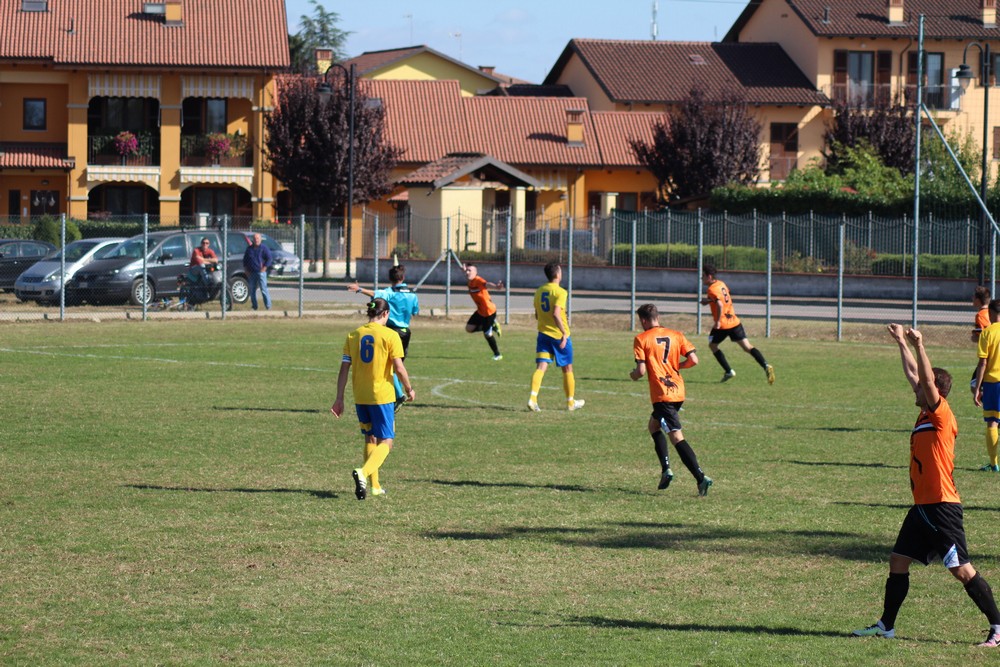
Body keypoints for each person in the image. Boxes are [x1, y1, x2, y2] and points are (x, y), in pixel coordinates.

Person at [852, 323, 1000, 647]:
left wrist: (920, 344)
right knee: (898, 560)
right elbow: (913, 374)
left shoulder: (940, 414)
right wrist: (900, 343)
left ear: (935, 393)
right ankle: (886, 625)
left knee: (961, 569)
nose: (916, 387)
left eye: (922, 386)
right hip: (922, 507)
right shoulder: (923, 415)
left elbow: (926, 380)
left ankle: (998, 626)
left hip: (942, 506)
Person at [331, 298, 415, 500]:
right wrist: (409, 388)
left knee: (370, 437)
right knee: (387, 440)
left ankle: (375, 486)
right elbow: (399, 367)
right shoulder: (390, 335)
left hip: (360, 395)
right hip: (381, 395)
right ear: (385, 314)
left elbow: (344, 369)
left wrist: (339, 398)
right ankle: (363, 472)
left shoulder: (354, 335)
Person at [629, 304, 712, 496]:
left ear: (643, 320)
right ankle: (666, 470)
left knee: (676, 437)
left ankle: (701, 477)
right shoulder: (676, 334)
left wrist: (633, 375)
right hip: (678, 391)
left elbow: (640, 371)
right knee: (654, 426)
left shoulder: (641, 339)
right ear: (657, 317)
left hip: (662, 394)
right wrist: (676, 366)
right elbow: (694, 360)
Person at [348, 265, 420, 408]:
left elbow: (375, 294)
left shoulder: (389, 292)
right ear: (403, 278)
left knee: (391, 366)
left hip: (391, 332)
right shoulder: (412, 295)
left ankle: (399, 396)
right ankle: (397, 394)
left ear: (390, 278)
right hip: (405, 332)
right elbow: (415, 312)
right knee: (397, 364)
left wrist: (360, 289)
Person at [699, 263, 774, 384]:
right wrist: (708, 301)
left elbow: (719, 304)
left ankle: (729, 371)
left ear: (709, 276)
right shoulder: (721, 284)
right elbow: (722, 299)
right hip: (734, 322)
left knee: (712, 346)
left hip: (722, 325)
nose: (701, 278)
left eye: (702, 276)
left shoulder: (711, 289)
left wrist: (717, 321)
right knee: (748, 347)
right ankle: (765, 365)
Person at [528, 261, 583, 412]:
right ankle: (570, 403)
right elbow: (556, 314)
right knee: (567, 368)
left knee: (541, 367)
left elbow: (537, 314)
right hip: (559, 337)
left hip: (543, 335)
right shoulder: (560, 292)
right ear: (558, 274)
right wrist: (564, 333)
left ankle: (533, 398)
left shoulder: (539, 291)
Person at [973, 298, 1000, 472]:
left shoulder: (987, 333)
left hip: (993, 383)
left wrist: (977, 388)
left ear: (989, 313)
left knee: (992, 423)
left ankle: (993, 464)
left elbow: (983, 363)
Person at [462, 263, 503, 361]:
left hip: (489, 312)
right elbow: (467, 273)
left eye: (469, 271)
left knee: (487, 334)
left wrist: (496, 287)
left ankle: (498, 355)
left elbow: (487, 284)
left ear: (475, 273)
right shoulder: (470, 281)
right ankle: (492, 326)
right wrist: (464, 270)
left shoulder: (478, 280)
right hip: (480, 311)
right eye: (466, 271)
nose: (467, 272)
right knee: (469, 329)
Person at [242, 233, 273, 311]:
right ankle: (254, 306)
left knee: (263, 289)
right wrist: (246, 270)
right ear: (253, 239)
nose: (256, 240)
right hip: (251, 273)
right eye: (255, 238)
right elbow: (245, 260)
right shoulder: (249, 249)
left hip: (261, 272)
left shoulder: (264, 248)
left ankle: (268, 306)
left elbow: (269, 259)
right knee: (252, 290)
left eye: (258, 238)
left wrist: (264, 268)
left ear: (260, 239)